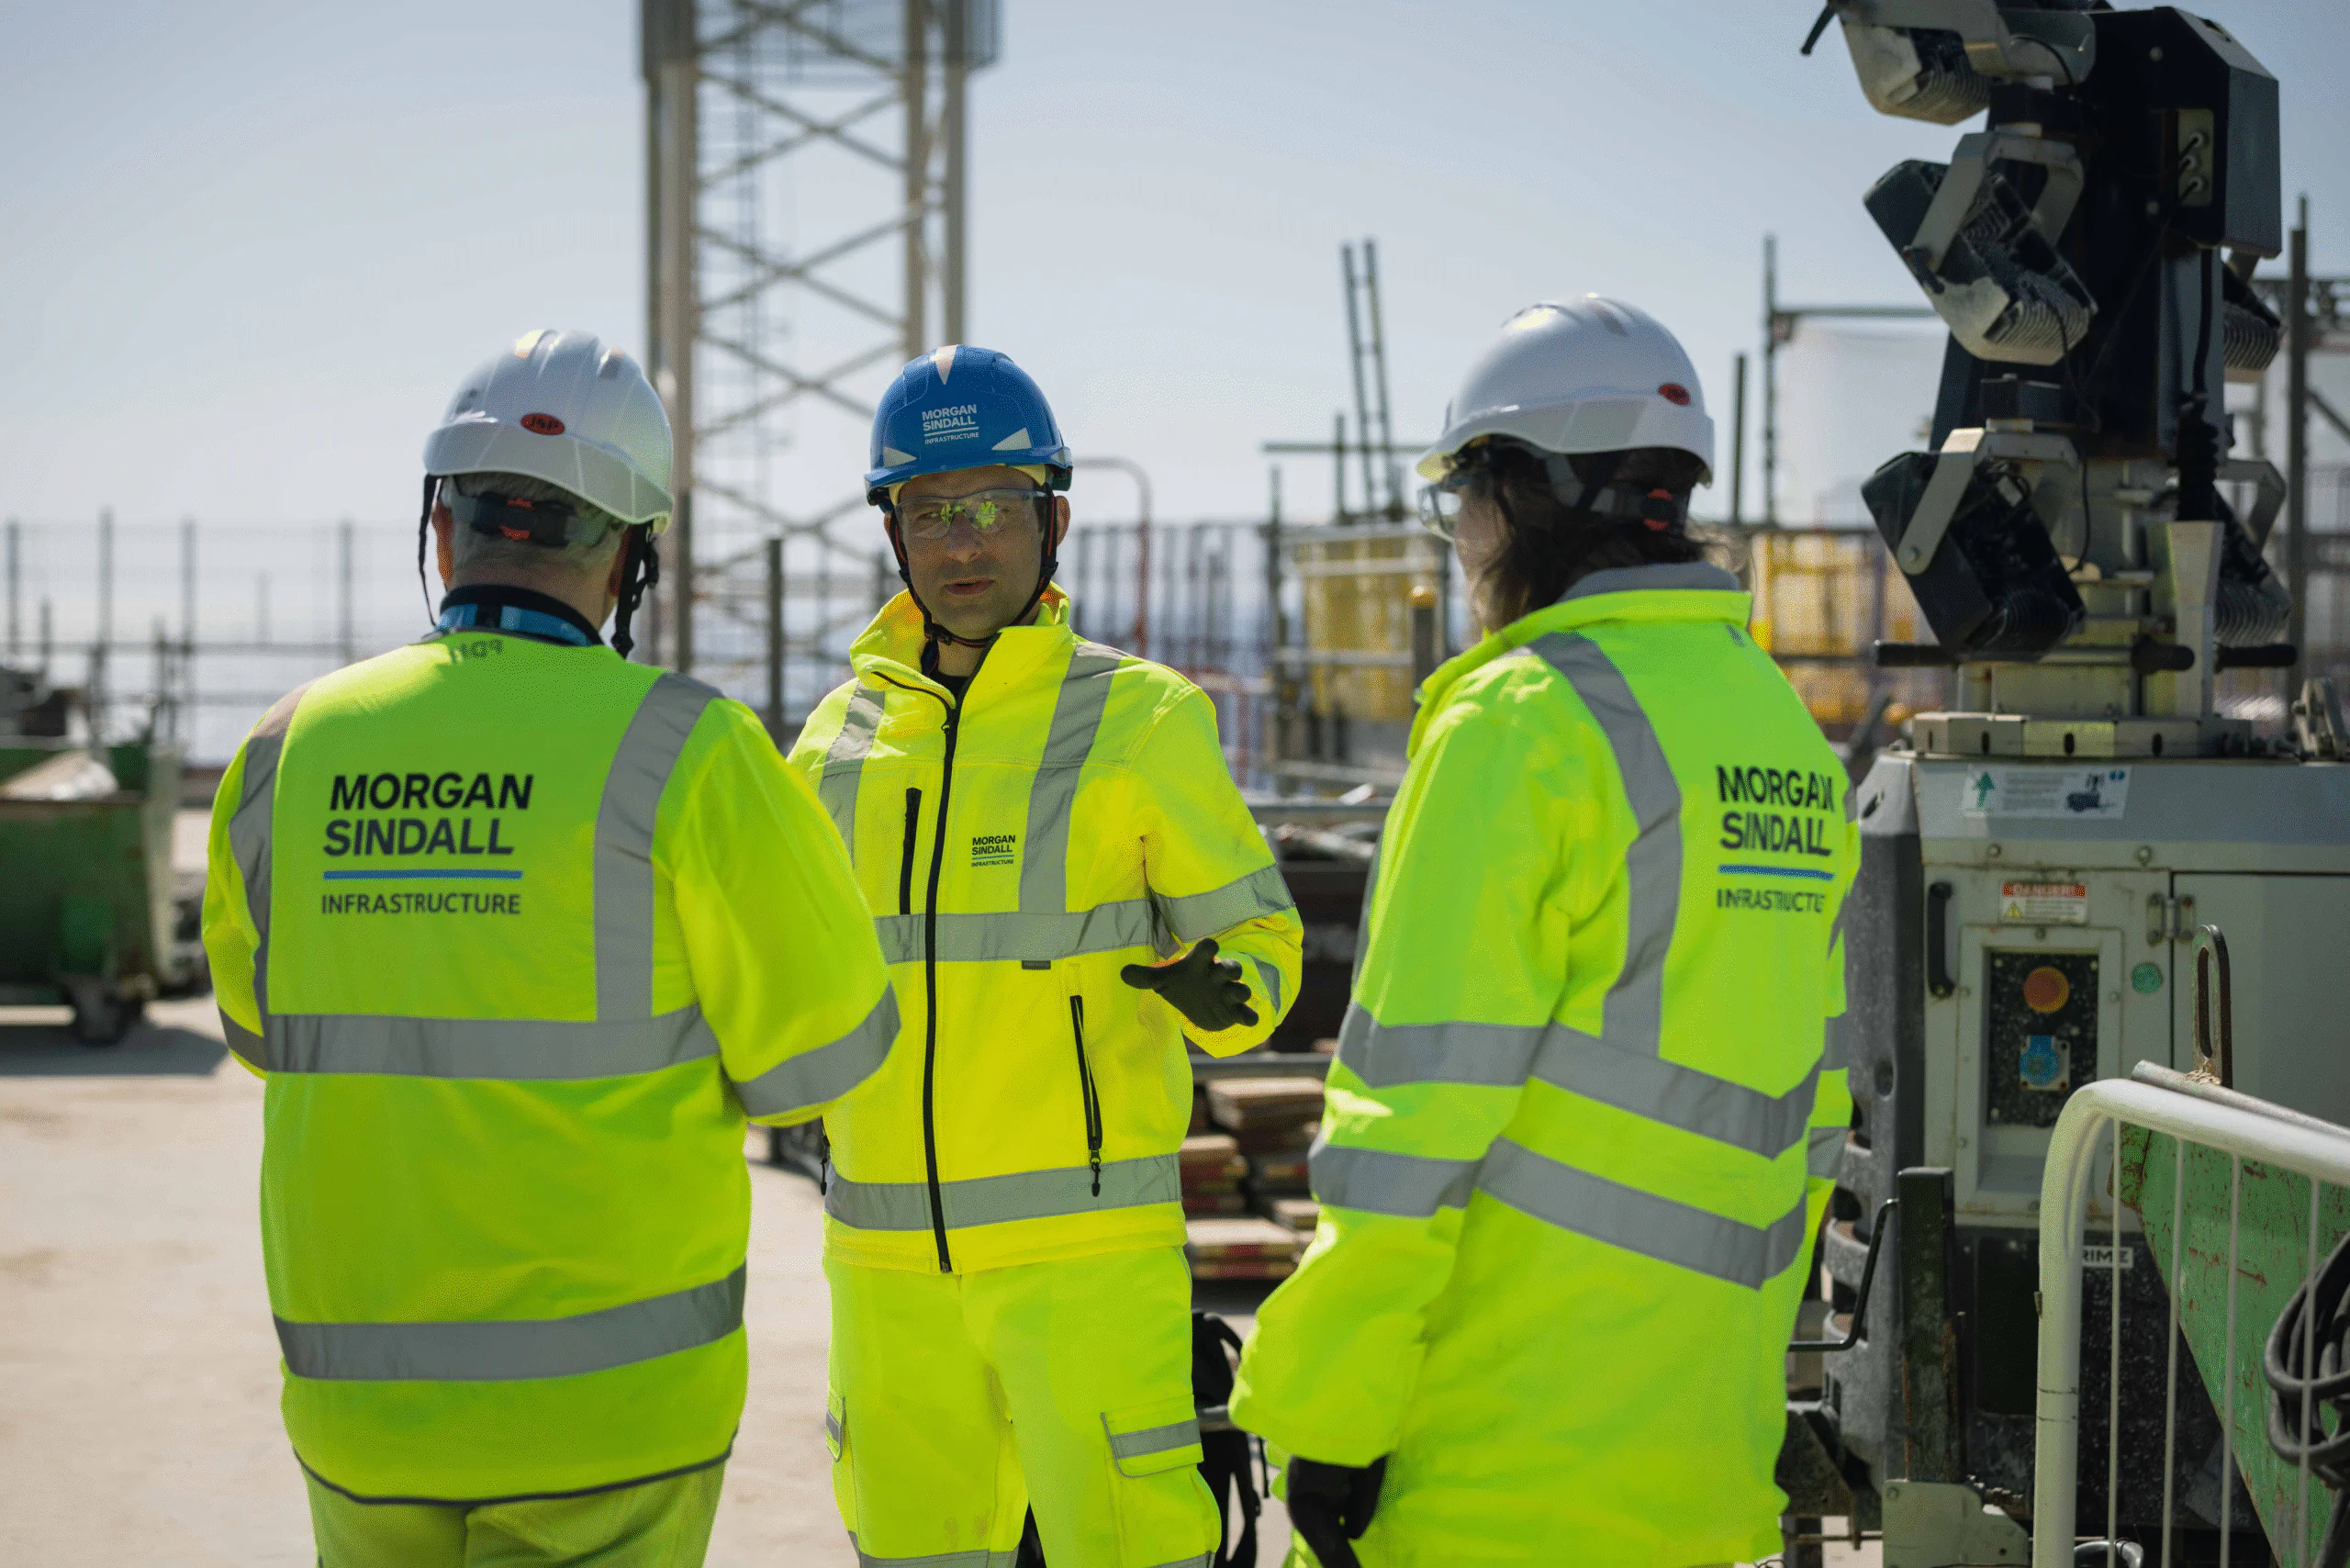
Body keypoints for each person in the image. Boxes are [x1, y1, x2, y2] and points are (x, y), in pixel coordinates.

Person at [201, 328, 898, 1566]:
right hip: (612, 1414)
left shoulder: (284, 749)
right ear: (634, 555)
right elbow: (825, 1054)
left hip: (361, 1403)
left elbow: (264, 1035)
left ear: (439, 527)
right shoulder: (691, 750)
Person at [1230, 297, 1857, 1567]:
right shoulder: (1774, 726)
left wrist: (1333, 1411)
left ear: (1534, 495)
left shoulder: (1522, 725)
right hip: (1696, 1453)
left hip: (1493, 1458)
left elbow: (1412, 1119)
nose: (1460, 543)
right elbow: (1815, 1107)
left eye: (1466, 499)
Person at [789, 343, 1304, 1566]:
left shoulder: (1144, 721)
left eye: (994, 509)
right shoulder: (834, 742)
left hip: (1083, 1257)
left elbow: (1263, 940)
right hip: (886, 1265)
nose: (963, 546)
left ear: (1052, 519)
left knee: (1127, 1548)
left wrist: (1226, 990)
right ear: (893, 532)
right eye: (930, 511)